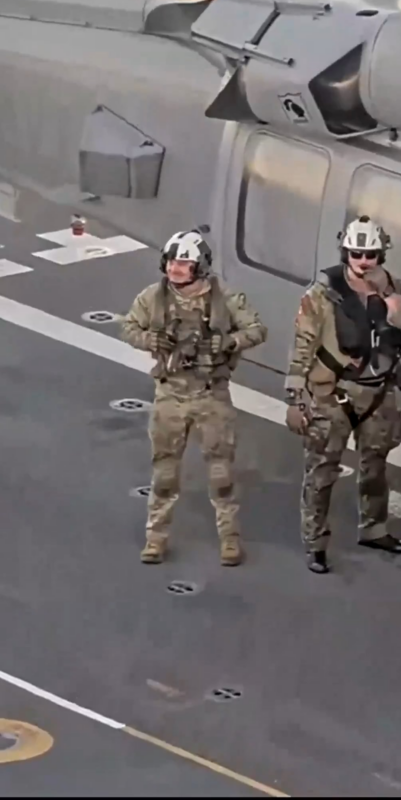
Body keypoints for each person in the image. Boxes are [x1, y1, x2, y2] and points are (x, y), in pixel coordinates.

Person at [285, 216, 401, 575]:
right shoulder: (321, 295)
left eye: (371, 254)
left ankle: (375, 528)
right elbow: (302, 346)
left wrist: (396, 304)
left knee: (376, 465)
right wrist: (294, 398)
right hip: (333, 394)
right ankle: (315, 543)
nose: (364, 261)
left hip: (379, 392)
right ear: (345, 252)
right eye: (356, 253)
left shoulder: (398, 288)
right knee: (321, 471)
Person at [121, 227, 268, 567]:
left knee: (221, 475)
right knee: (164, 475)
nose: (175, 268)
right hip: (170, 394)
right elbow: (130, 327)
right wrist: (151, 341)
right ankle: (155, 539)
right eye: (172, 261)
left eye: (184, 263)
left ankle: (230, 540)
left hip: (210, 395)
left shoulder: (224, 299)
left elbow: (256, 329)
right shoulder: (153, 298)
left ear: (199, 266)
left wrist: (228, 343)